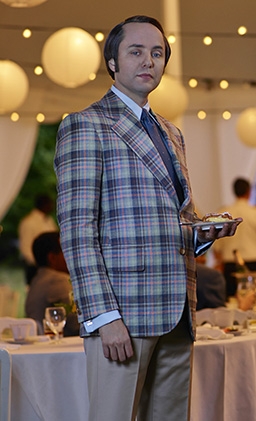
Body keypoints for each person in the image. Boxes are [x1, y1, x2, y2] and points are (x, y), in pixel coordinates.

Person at [54, 16, 238, 421]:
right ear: (113, 62)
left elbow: (175, 220)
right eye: (136, 51)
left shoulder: (171, 132)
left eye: (157, 53)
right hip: (123, 315)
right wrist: (104, 317)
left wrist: (205, 232)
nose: (148, 61)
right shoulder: (86, 125)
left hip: (178, 312)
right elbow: (77, 232)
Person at [213, 177, 256, 297]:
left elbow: (217, 246)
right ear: (249, 191)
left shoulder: (223, 213)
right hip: (254, 265)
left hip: (231, 265)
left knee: (232, 301)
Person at [25, 231, 80, 337]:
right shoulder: (58, 280)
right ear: (52, 258)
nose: (72, 256)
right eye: (66, 251)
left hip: (40, 341)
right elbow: (76, 324)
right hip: (63, 344)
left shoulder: (37, 280)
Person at [18, 194, 58, 284]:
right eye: (51, 204)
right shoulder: (29, 222)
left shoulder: (48, 220)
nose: (52, 206)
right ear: (44, 205)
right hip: (36, 267)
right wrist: (39, 264)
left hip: (50, 267)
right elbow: (25, 247)